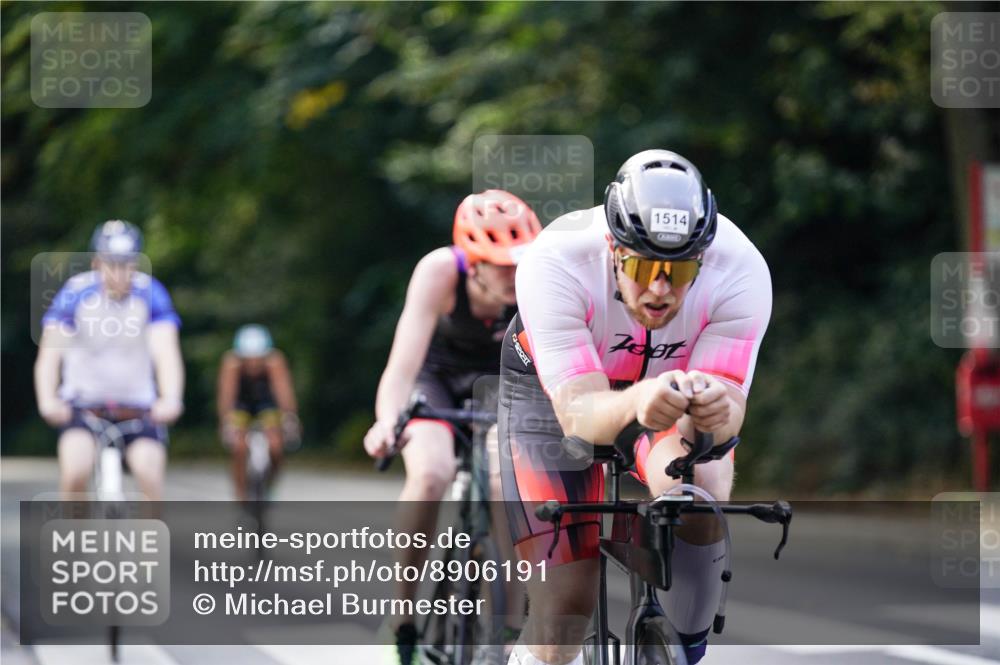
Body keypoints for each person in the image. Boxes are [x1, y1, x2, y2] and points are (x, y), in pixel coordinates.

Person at [497, 150, 772, 665]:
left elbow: (728, 411)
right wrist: (640, 398)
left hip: (668, 395)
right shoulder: (556, 259)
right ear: (613, 248)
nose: (659, 290)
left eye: (679, 270)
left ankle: (683, 645)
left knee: (701, 492)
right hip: (554, 394)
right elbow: (579, 416)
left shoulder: (739, 269)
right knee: (564, 609)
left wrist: (715, 411)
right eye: (643, 267)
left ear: (702, 257)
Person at [363, 189, 541, 665]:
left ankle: (510, 624)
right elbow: (401, 367)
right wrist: (387, 421)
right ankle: (402, 616)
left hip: (502, 383)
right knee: (430, 474)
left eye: (518, 261)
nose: (513, 274)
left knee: (506, 481)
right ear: (472, 263)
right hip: (436, 380)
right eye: (499, 265)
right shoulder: (439, 272)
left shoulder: (539, 278)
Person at [34, 220, 184, 501]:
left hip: (138, 411)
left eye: (127, 264)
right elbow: (50, 355)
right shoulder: (75, 292)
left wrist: (170, 399)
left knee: (150, 477)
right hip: (84, 410)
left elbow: (166, 353)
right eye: (112, 263)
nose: (119, 272)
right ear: (96, 263)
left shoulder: (150, 293)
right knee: (75, 472)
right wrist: (48, 400)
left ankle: (150, 531)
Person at [217, 324, 300, 501]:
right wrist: (226, 421)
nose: (253, 364)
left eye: (258, 359)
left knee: (276, 447)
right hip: (241, 405)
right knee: (238, 448)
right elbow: (227, 395)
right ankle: (241, 494)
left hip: (266, 404)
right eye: (248, 359)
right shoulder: (232, 363)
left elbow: (283, 391)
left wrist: (289, 417)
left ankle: (270, 486)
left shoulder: (274, 361)